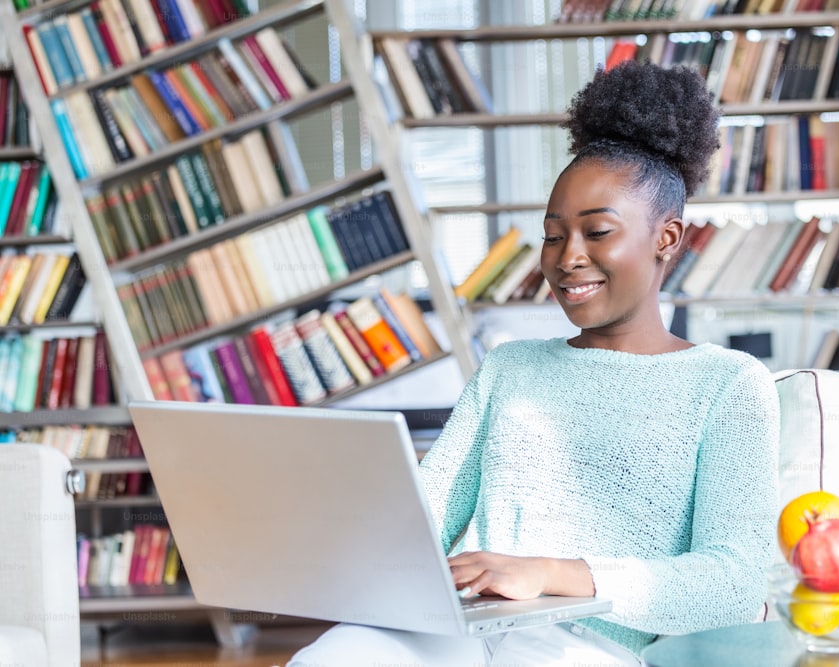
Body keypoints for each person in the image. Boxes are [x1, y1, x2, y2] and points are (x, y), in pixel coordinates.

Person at [288, 61, 780, 667]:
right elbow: (424, 522)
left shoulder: (727, 384)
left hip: (584, 645)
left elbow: (732, 585)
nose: (568, 258)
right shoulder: (508, 370)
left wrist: (546, 573)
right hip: (462, 629)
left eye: (597, 232)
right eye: (553, 236)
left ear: (667, 239)